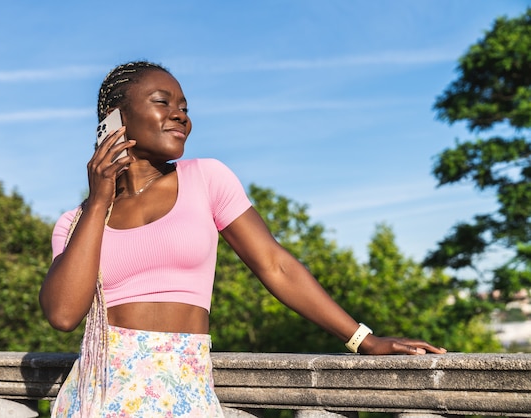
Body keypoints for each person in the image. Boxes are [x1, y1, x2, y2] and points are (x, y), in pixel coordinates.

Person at [39, 60, 447, 417]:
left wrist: (363, 339)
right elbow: (63, 315)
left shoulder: (207, 179)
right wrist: (98, 202)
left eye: (185, 108)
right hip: (99, 397)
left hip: (186, 390)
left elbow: (276, 264)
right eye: (163, 102)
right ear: (115, 119)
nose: (181, 116)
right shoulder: (76, 223)